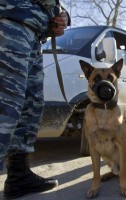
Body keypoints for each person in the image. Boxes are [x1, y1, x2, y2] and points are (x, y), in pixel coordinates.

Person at [0, 1, 70, 198]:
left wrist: (61, 16)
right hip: (9, 21)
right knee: (6, 106)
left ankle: (18, 175)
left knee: (29, 106)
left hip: (32, 32)